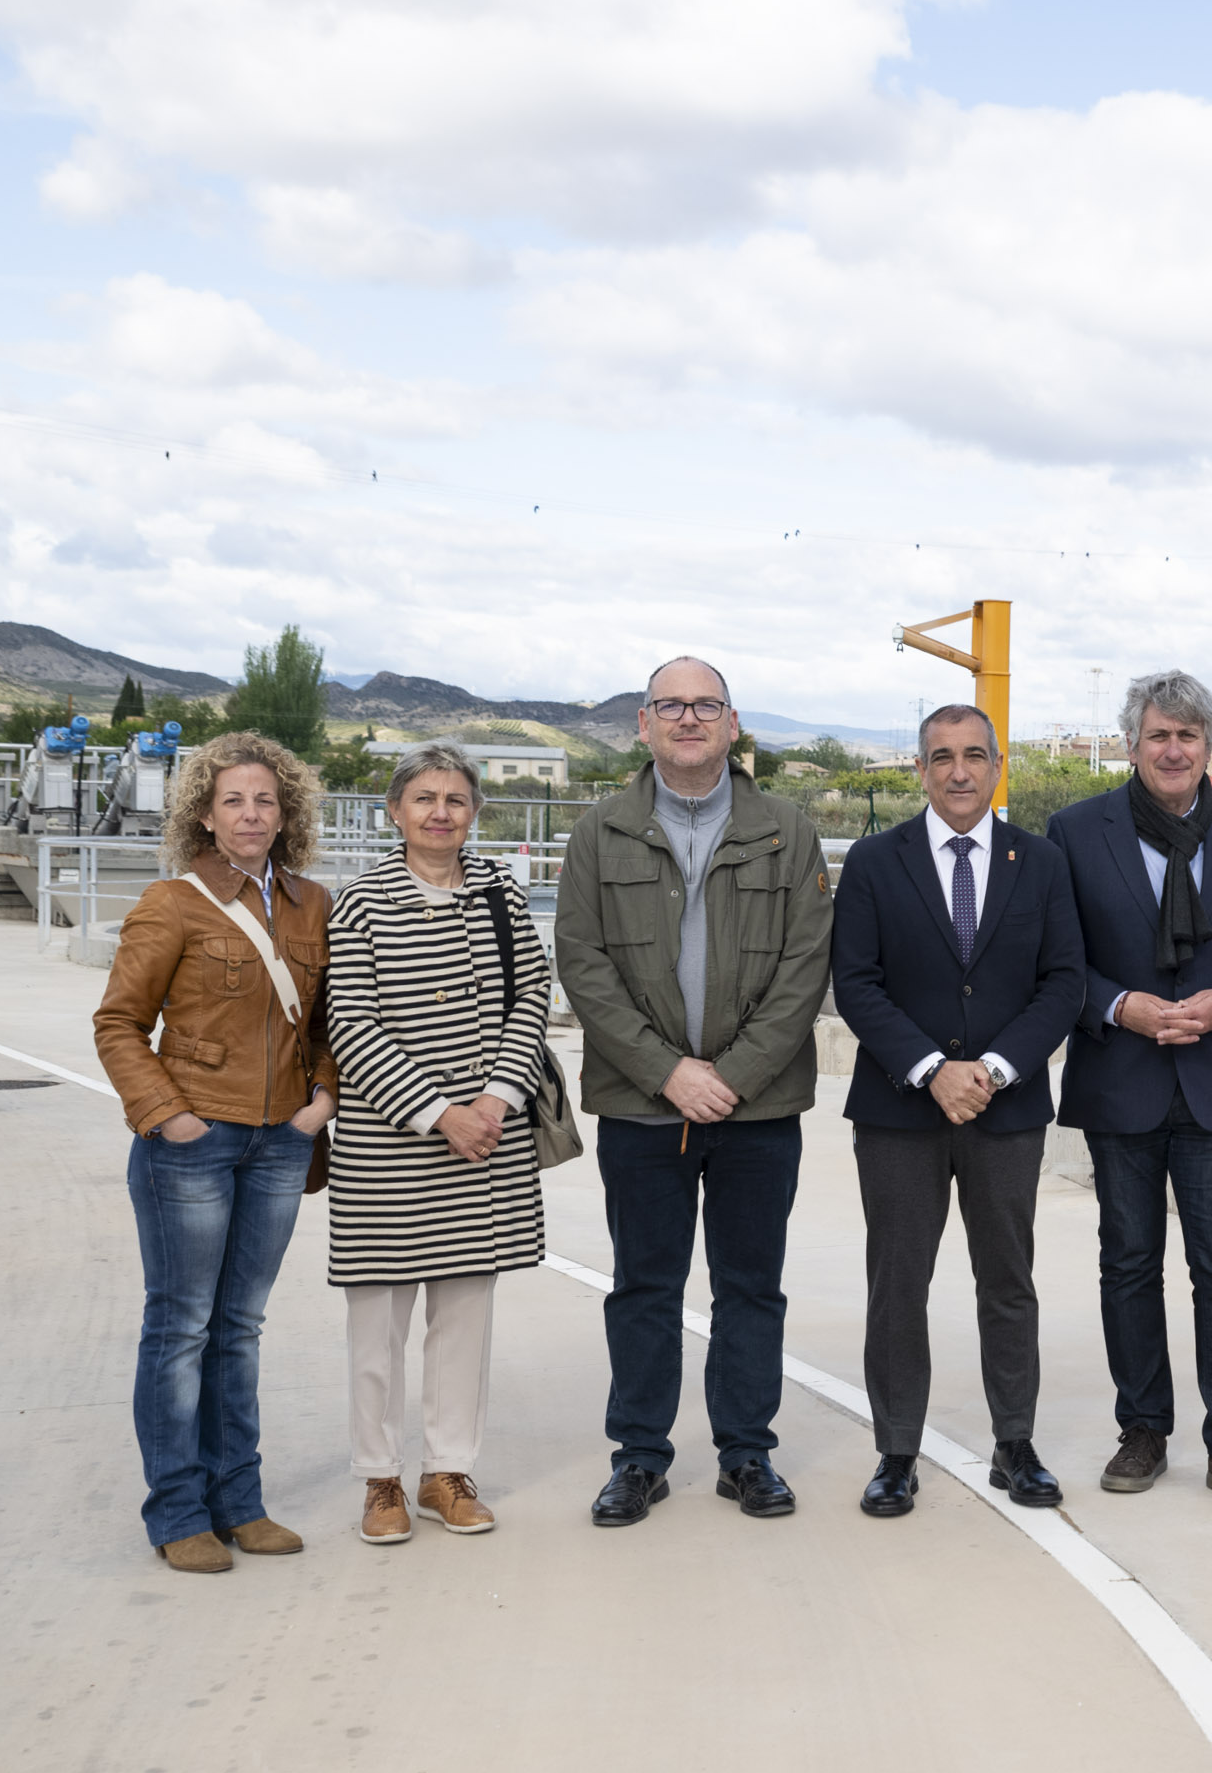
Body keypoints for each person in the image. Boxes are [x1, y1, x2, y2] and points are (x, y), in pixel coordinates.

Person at [554, 657, 834, 1527]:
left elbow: (804, 966)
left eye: (704, 705)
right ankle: (639, 1457)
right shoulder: (600, 832)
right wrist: (667, 1071)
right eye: (670, 706)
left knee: (751, 1284)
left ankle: (747, 1453)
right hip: (644, 1107)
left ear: (733, 722)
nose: (687, 718)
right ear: (642, 723)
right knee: (645, 1283)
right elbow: (584, 965)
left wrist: (734, 1075)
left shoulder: (788, 830)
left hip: (760, 1108)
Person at [91, 731, 339, 1574]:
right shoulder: (173, 902)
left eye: (265, 799)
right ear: (205, 811)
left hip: (279, 1144)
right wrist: (168, 1115)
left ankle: (241, 1501)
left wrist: (323, 1101)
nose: (251, 812)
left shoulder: (314, 904)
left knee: (239, 1326)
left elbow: (328, 1021)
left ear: (286, 813)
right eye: (233, 798)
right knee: (181, 1325)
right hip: (192, 1143)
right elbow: (118, 1023)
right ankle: (178, 1510)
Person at [831, 703, 1085, 1518]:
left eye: (975, 755)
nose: (960, 771)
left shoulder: (1040, 863)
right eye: (942, 757)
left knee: (1007, 1280)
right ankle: (896, 1451)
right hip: (900, 1110)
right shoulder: (875, 861)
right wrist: (933, 1068)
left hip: (1005, 1113)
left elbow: (1065, 982)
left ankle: (1016, 1442)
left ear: (998, 764)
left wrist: (998, 1068)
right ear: (920, 769)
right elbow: (856, 983)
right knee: (899, 1282)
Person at [1052, 670, 1212, 1510]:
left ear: (1208, 746)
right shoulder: (1076, 832)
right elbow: (1055, 961)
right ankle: (1143, 1431)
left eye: (1188, 736)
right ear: (1132, 743)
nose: (1173, 749)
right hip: (1120, 1080)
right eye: (1159, 734)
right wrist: (1122, 1006)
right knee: (1127, 1263)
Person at [321, 743, 554, 1545]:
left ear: (474, 812)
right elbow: (349, 1024)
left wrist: (494, 1098)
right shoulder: (358, 902)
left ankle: (447, 1470)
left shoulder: (500, 894)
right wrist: (435, 1112)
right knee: (376, 1328)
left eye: (456, 799)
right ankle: (380, 1478)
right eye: (424, 798)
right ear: (395, 811)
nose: (441, 812)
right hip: (392, 1147)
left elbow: (534, 996)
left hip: (485, 1139)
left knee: (464, 1318)